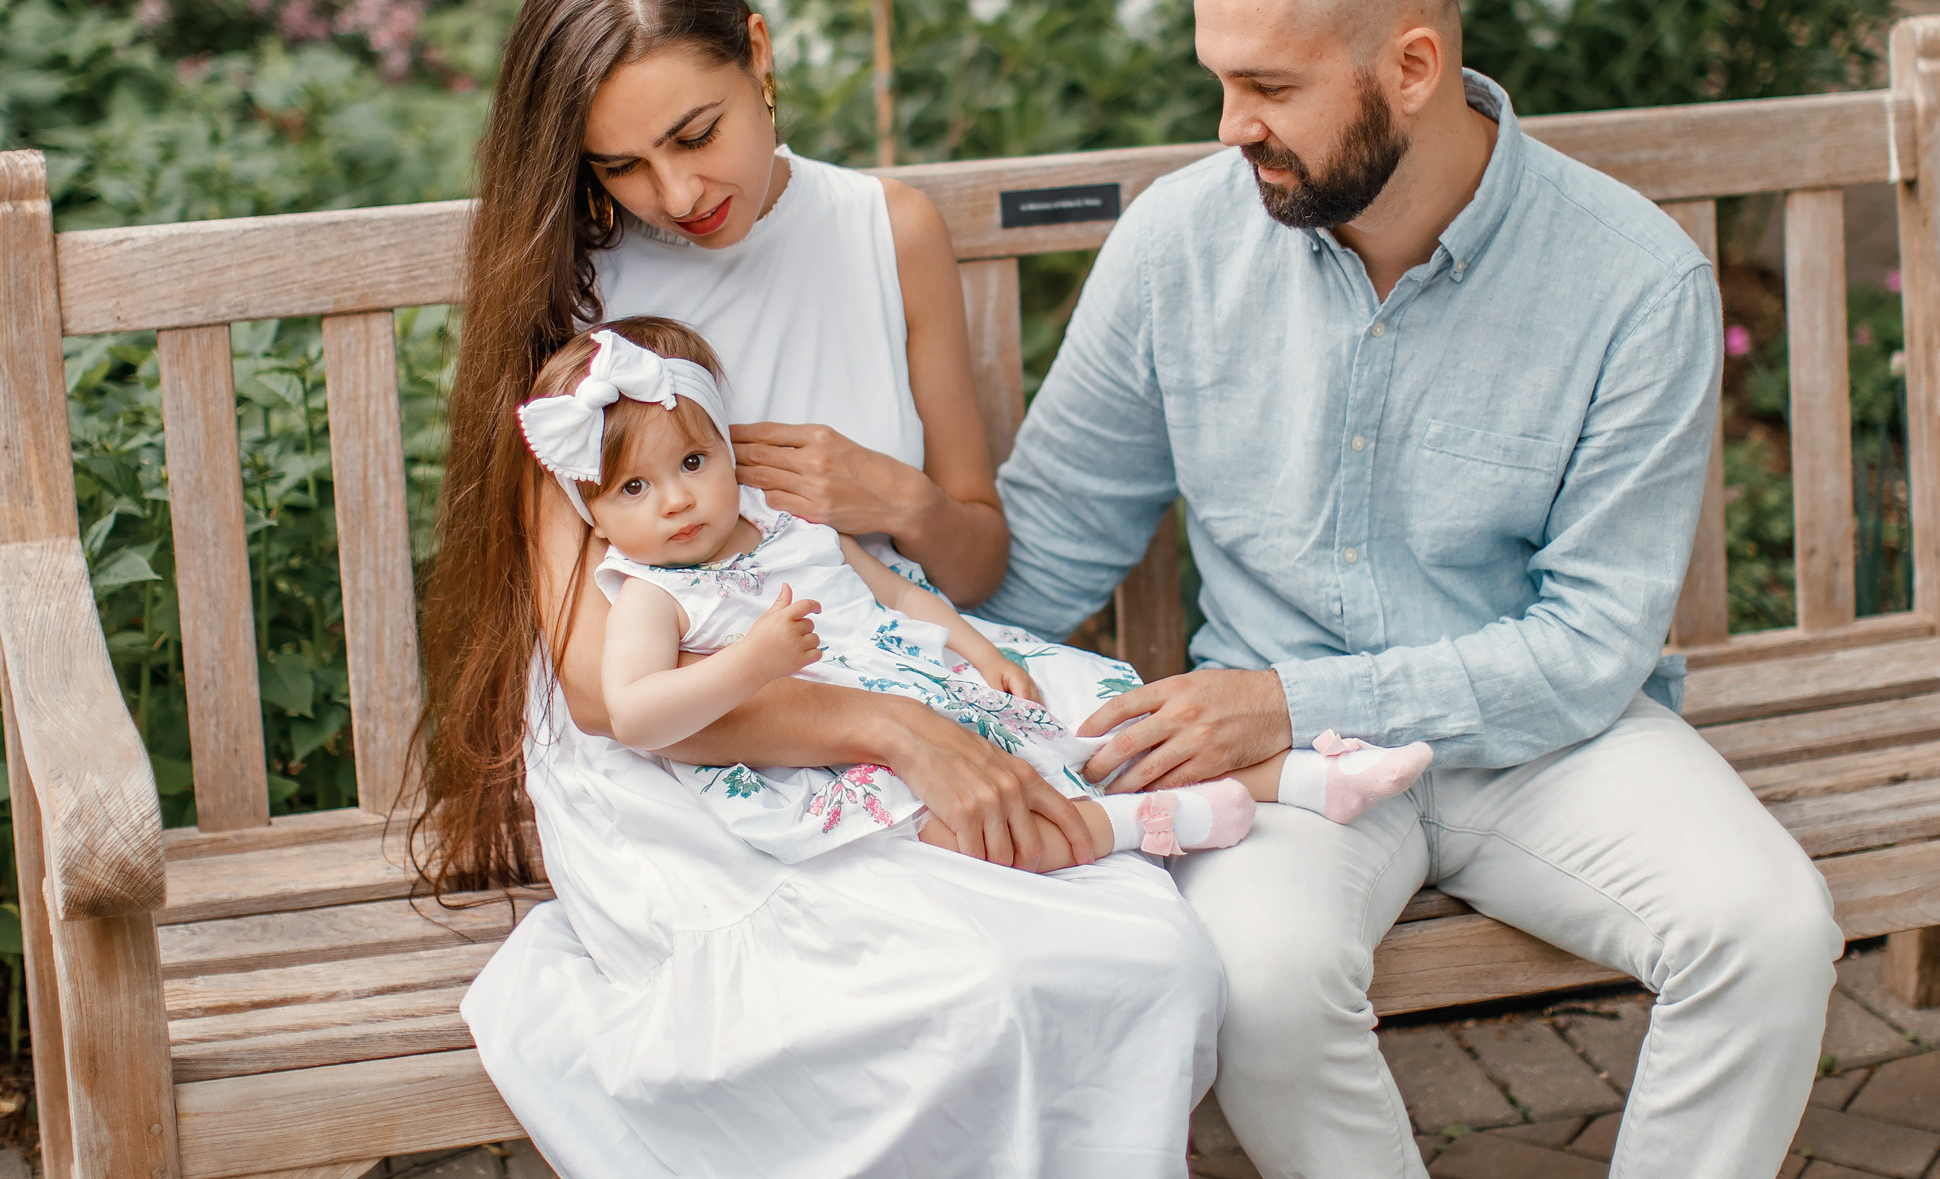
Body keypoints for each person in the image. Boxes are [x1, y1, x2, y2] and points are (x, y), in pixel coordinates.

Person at [982, 0, 1844, 1179]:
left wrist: (1292, 700)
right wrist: (841, 640)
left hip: (1546, 743)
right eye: (1218, 79)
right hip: (1285, 777)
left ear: (1413, 65)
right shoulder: (1179, 244)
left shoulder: (1631, 279)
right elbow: (1042, 549)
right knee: (1255, 979)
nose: (1229, 129)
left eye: (1268, 84)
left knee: (1772, 926)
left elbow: (1587, 651)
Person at [428, 0, 1223, 1178]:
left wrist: (890, 495)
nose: (676, 195)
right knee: (953, 997)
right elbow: (597, 693)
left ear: (759, 55)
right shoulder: (582, 307)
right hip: (685, 737)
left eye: (696, 134)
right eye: (622, 166)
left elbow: (970, 564)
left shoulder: (883, 228)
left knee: (1140, 958)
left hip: (890, 650)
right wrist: (891, 730)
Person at [525, 316, 1435, 864]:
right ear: (596, 514)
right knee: (956, 827)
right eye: (636, 488)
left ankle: (1312, 779)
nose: (679, 499)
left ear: (729, 448)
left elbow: (896, 590)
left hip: (921, 672)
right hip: (836, 738)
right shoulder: (650, 595)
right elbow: (637, 711)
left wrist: (980, 648)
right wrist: (754, 661)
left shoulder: (787, 525)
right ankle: (1129, 826)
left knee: (1091, 707)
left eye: (693, 461)